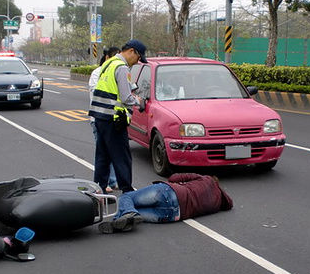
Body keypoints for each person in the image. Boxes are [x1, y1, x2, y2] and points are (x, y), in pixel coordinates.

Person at [88, 39, 146, 194]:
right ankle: (127, 191)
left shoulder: (108, 63)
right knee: (122, 157)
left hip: (99, 117)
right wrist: (139, 102)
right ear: (131, 51)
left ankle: (98, 190)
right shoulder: (121, 68)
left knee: (103, 156)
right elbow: (126, 98)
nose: (137, 62)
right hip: (113, 119)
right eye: (138, 58)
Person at [98, 173, 233, 233]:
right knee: (135, 212)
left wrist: (182, 181)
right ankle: (120, 221)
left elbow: (174, 177)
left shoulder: (206, 179)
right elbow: (229, 204)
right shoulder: (218, 204)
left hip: (170, 193)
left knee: (126, 197)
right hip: (173, 215)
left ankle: (126, 214)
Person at [89, 47, 121, 192]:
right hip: (99, 118)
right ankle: (103, 183)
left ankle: (113, 181)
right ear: (108, 57)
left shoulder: (118, 71)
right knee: (103, 153)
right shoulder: (98, 73)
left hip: (113, 118)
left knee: (114, 151)